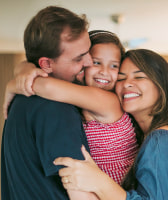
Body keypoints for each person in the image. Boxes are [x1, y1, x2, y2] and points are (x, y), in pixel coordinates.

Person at [53, 49, 168, 200]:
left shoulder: (162, 139)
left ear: (161, 85)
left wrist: (99, 181)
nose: (127, 84)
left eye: (139, 77)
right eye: (121, 79)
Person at [3, 30, 139, 185]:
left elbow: (47, 86)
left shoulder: (109, 101)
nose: (104, 72)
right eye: (97, 62)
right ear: (83, 63)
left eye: (114, 66)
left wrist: (13, 85)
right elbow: (30, 69)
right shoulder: (78, 98)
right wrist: (24, 68)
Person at [1, 5, 98, 200]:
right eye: (79, 58)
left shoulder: (19, 102)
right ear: (46, 64)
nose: (89, 62)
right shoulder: (56, 107)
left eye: (88, 52)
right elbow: (82, 193)